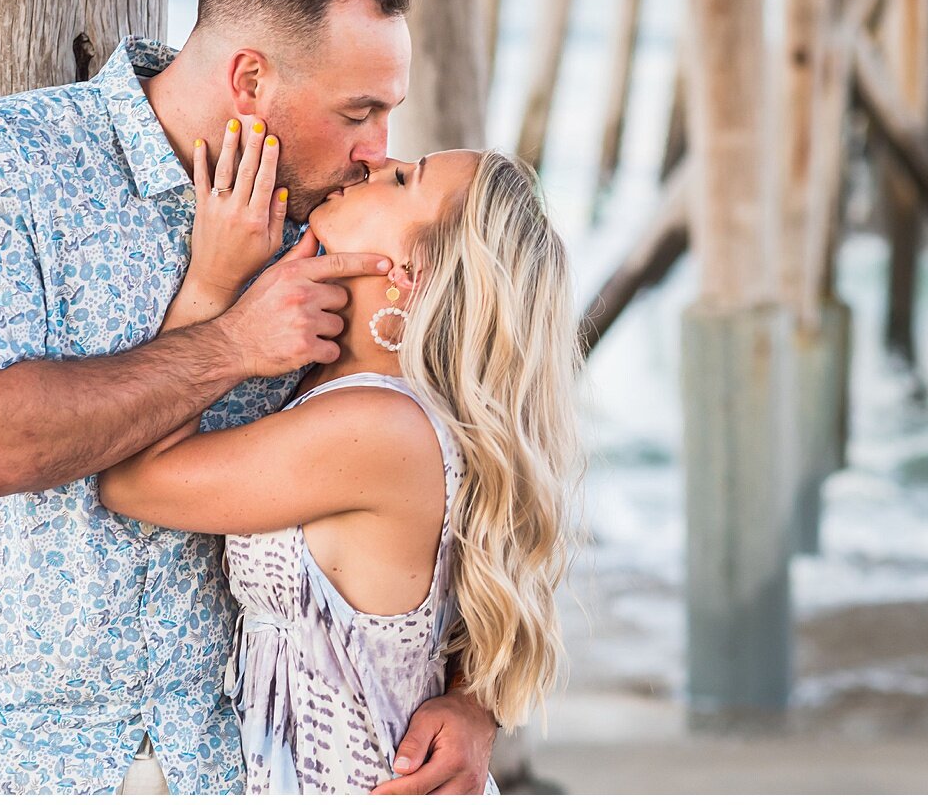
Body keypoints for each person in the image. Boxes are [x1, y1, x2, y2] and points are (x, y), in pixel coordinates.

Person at [0, 0, 497, 795]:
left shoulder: (340, 228)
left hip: (216, 769)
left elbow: (482, 459)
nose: (377, 150)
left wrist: (475, 692)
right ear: (251, 79)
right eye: (359, 111)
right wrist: (228, 342)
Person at [98, 145, 579, 793]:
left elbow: (131, 480)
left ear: (415, 270)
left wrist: (212, 282)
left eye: (405, 179)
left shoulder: (377, 429)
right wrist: (471, 699)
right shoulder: (353, 388)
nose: (376, 161)